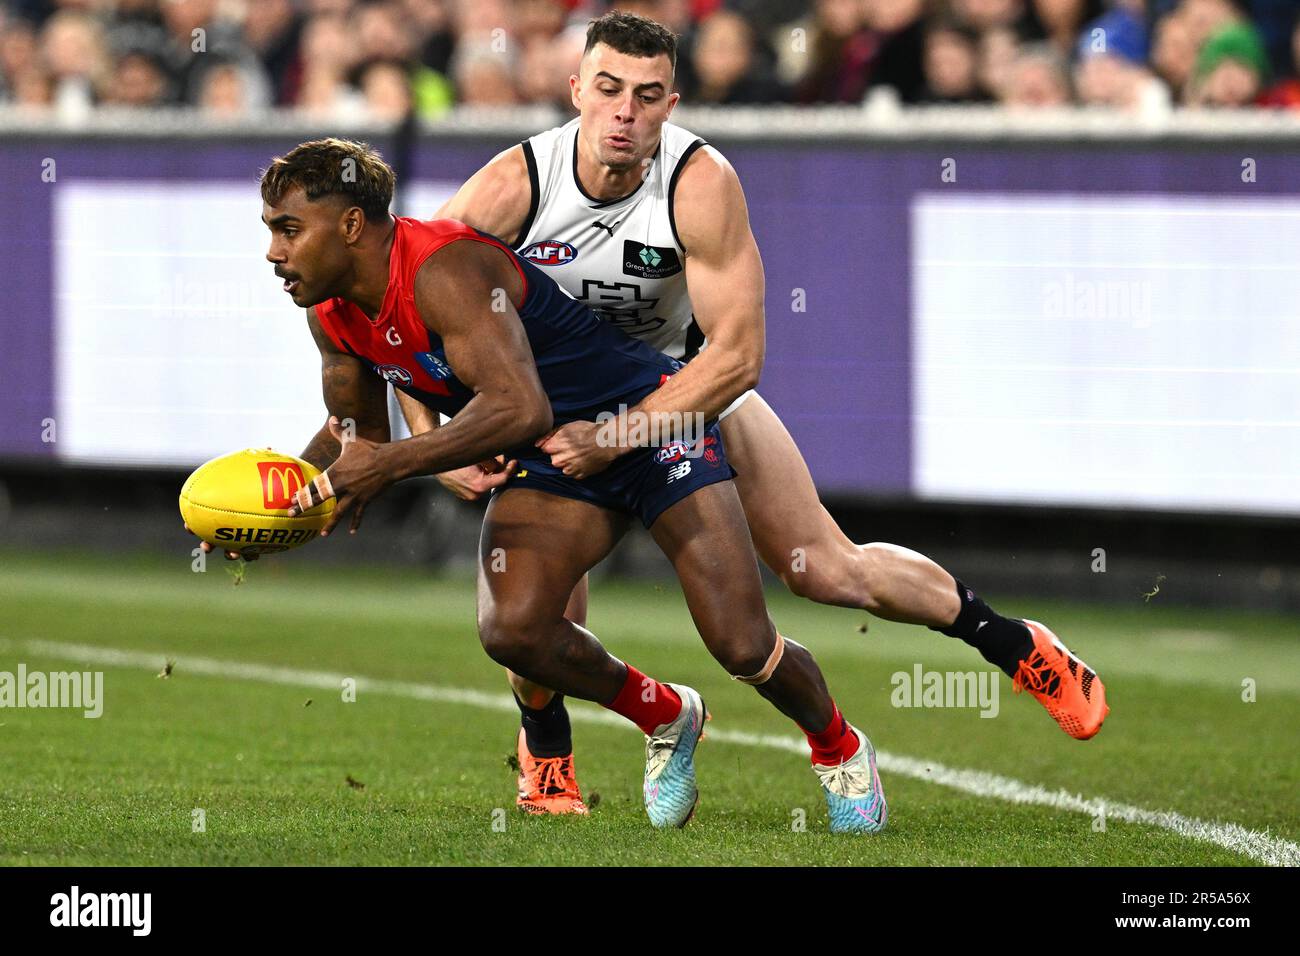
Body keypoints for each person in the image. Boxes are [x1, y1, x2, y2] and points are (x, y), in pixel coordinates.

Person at [397, 11, 1110, 817]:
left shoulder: (700, 183)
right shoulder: (511, 186)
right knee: (535, 615)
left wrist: (624, 432)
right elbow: (410, 307)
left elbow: (735, 358)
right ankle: (548, 753)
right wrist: (432, 439)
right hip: (561, 412)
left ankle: (1018, 646)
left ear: (672, 103)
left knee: (826, 569)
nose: (625, 113)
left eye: (647, 95)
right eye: (607, 90)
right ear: (575, 92)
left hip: (682, 395)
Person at [204, 136, 890, 834]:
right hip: (555, 457)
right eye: (271, 231)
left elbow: (515, 407)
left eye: (287, 229)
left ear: (349, 225)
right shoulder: (332, 314)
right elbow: (358, 438)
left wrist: (400, 462)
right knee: (514, 630)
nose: (273, 252)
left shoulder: (446, 270)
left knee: (742, 644)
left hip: (640, 430)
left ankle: (839, 748)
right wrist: (276, 515)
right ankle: (667, 714)